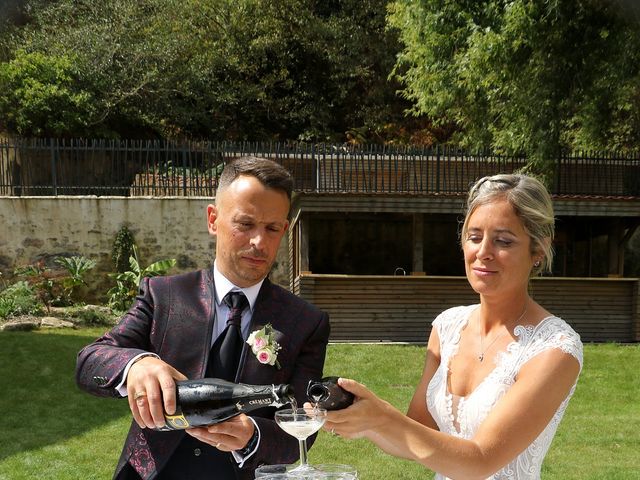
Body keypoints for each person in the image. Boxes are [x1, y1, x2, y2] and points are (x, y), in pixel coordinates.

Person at [76, 156, 330, 480]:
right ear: (213, 219)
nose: (259, 242)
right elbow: (90, 362)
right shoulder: (163, 295)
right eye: (245, 223)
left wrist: (252, 435)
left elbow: (302, 429)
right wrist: (136, 364)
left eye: (272, 228)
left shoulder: (306, 322)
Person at [323, 173, 583, 479]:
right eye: (474, 237)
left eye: (503, 240)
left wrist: (383, 418)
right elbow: (416, 436)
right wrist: (362, 416)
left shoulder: (555, 348)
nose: (483, 252)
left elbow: (481, 461)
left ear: (538, 250)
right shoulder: (448, 327)